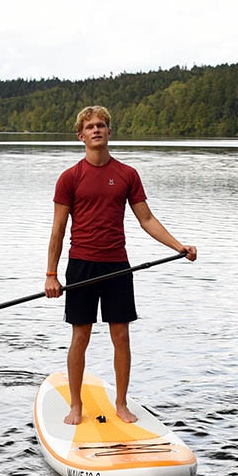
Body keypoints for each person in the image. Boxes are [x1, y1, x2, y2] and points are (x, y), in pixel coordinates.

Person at [45, 105, 196, 425]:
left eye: (101, 125)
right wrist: (51, 275)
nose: (96, 130)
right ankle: (75, 405)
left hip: (118, 266)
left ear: (110, 132)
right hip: (82, 265)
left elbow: (147, 219)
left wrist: (177, 245)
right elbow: (58, 229)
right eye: (90, 127)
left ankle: (122, 404)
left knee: (121, 337)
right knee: (80, 337)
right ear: (80, 135)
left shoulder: (127, 175)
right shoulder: (69, 178)